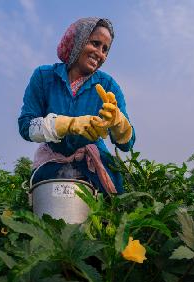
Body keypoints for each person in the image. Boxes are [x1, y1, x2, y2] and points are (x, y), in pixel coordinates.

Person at [18, 17, 135, 195]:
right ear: (77, 41)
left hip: (95, 167)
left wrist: (118, 123)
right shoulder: (44, 76)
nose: (100, 53)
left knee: (103, 217)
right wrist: (67, 125)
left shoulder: (109, 85)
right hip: (52, 165)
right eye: (95, 43)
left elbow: (127, 144)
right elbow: (26, 127)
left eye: (105, 49)